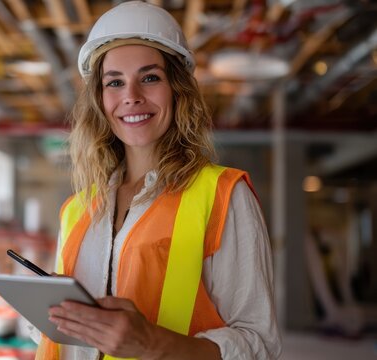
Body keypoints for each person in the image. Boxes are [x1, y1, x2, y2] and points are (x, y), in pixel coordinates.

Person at [33, 1, 281, 359]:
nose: (131, 97)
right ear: (100, 100)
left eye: (149, 78)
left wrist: (153, 344)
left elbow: (259, 345)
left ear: (177, 89)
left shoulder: (222, 195)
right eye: (114, 82)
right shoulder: (76, 209)